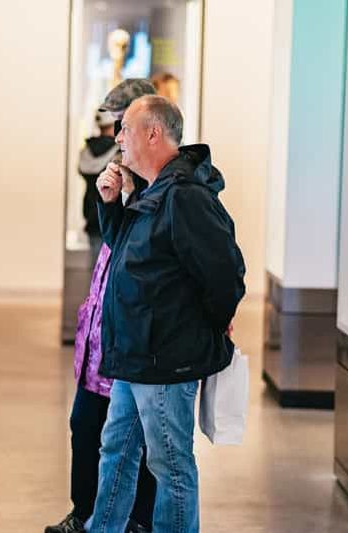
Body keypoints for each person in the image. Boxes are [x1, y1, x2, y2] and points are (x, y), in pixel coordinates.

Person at [86, 95, 246, 533]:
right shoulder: (152, 190)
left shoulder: (185, 196)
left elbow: (225, 273)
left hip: (164, 359)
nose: (119, 138)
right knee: (116, 451)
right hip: (136, 355)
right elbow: (126, 253)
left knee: (170, 464)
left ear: (153, 134)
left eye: (126, 129)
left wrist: (210, 323)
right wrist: (110, 204)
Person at [46, 79, 158, 533]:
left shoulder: (164, 189)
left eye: (123, 126)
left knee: (139, 441)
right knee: (86, 425)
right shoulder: (114, 176)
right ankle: (84, 512)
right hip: (100, 342)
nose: (117, 136)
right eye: (115, 126)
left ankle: (138, 520)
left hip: (136, 347)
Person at [79, 110, 118, 261]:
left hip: (92, 215)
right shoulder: (120, 152)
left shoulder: (86, 150)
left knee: (97, 267)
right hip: (112, 216)